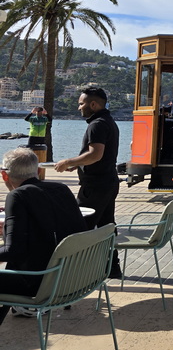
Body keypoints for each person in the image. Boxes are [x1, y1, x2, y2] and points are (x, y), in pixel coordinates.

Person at [0, 148, 86, 323]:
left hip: (41, 284)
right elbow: (48, 230)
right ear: (39, 171)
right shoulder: (61, 189)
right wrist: (7, 230)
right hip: (72, 279)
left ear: (4, 175)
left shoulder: (18, 196)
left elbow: (14, 251)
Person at [54, 86, 122, 278]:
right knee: (106, 226)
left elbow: (95, 155)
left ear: (93, 104)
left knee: (78, 227)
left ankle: (72, 273)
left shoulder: (97, 124)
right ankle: (112, 268)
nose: (79, 107)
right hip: (108, 182)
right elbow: (99, 157)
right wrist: (79, 164)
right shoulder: (108, 121)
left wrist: (69, 162)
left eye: (81, 103)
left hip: (95, 186)